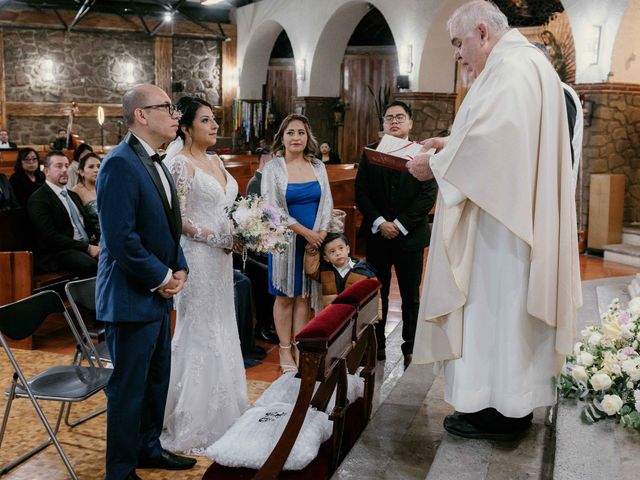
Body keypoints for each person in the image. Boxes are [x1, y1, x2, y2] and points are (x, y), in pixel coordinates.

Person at [406, 0, 582, 442]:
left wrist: (435, 165)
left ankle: (501, 409)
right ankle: (502, 404)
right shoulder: (520, 64)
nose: (457, 54)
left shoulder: (512, 69)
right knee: (502, 318)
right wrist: (450, 143)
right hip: (507, 214)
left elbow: (495, 145)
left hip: (501, 230)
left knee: (496, 315)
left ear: (482, 32)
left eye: (459, 43)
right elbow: (501, 138)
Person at [96, 84, 194, 480]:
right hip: (130, 296)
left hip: (156, 294)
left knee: (156, 381)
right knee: (129, 387)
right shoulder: (119, 163)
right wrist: (161, 276)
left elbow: (167, 229)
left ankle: (148, 448)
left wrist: (180, 265)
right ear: (141, 115)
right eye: (167, 108)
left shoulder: (158, 160)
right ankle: (119, 471)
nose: (176, 115)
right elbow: (121, 238)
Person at [161, 96, 248, 453]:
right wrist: (216, 236)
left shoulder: (215, 160)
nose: (214, 126)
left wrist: (243, 230)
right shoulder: (179, 164)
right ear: (186, 127)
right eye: (207, 120)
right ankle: (192, 420)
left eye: (215, 120)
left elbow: (228, 206)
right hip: (197, 257)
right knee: (199, 329)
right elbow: (175, 217)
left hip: (222, 259)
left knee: (223, 325)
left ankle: (228, 409)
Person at [355, 100, 437, 368]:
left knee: (411, 295)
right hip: (378, 236)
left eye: (400, 117)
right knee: (377, 293)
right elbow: (362, 193)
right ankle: (376, 345)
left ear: (410, 123)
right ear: (383, 124)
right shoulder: (371, 154)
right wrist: (380, 222)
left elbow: (427, 195)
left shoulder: (422, 154)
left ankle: (411, 345)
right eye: (389, 117)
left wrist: (400, 224)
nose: (394, 121)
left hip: (410, 236)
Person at [261, 114, 333, 373]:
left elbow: (327, 203)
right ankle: (284, 349)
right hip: (285, 240)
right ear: (282, 137)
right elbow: (270, 208)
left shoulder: (317, 166)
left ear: (307, 137)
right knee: (285, 297)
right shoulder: (273, 168)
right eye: (290, 133)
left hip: (314, 241)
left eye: (300, 133)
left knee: (303, 297)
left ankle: (299, 346)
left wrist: (321, 233)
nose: (296, 138)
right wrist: (305, 232)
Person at [27, 151, 99, 278]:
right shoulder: (38, 199)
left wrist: (98, 243)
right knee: (91, 264)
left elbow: (87, 226)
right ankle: (89, 298)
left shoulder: (73, 195)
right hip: (57, 252)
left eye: (66, 165)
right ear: (46, 171)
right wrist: (87, 248)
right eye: (59, 166)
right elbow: (50, 237)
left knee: (116, 256)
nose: (65, 170)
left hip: (80, 246)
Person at [304, 232, 377, 308]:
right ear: (326, 258)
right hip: (333, 313)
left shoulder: (363, 270)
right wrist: (311, 252)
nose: (338, 253)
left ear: (348, 249)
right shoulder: (325, 271)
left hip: (357, 312)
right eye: (332, 251)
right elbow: (311, 271)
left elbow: (374, 291)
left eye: (341, 248)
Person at [70, 151, 101, 238]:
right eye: (91, 167)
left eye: (99, 166)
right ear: (81, 172)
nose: (96, 170)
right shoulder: (75, 192)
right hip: (92, 239)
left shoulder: (106, 187)